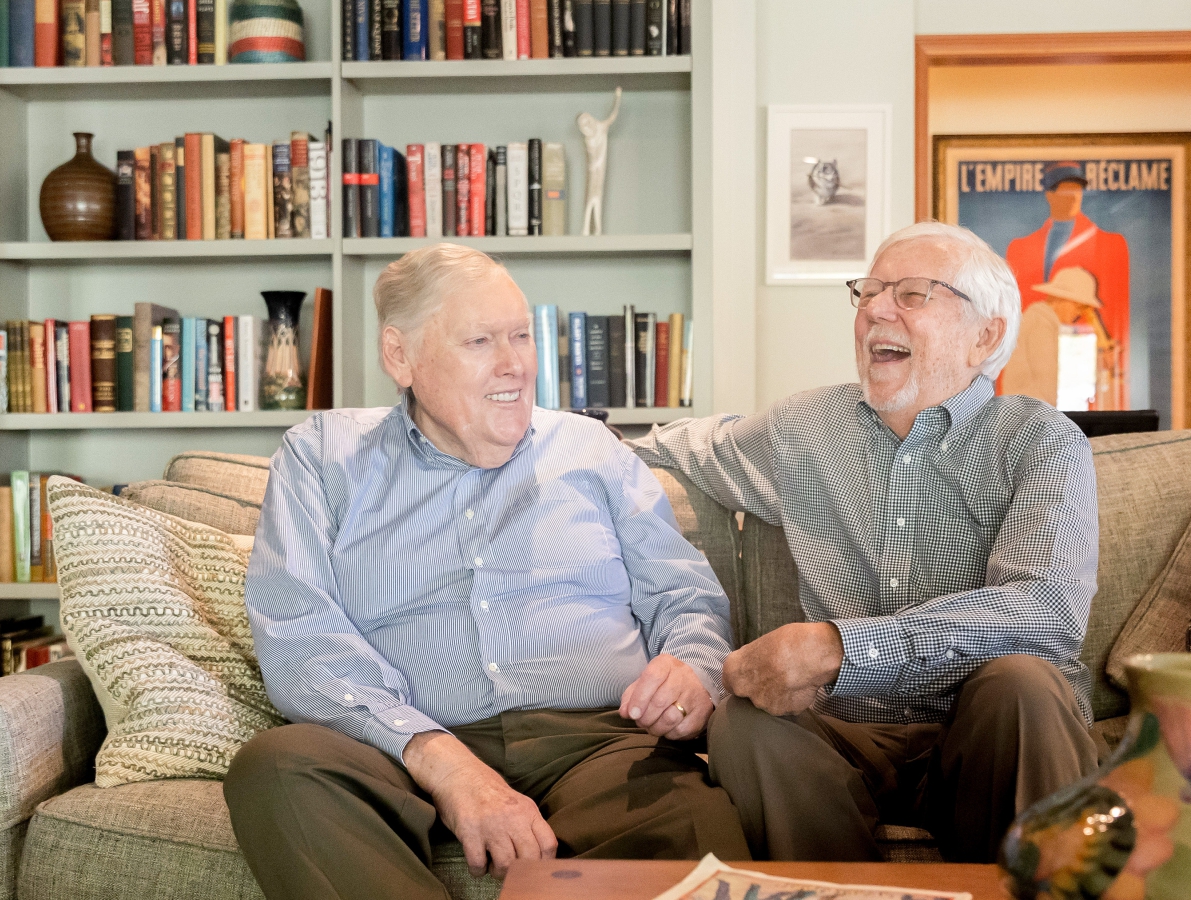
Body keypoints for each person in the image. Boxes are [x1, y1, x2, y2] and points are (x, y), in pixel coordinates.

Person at [226, 243, 749, 900]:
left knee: (691, 826)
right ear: (400, 356)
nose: (515, 365)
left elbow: (685, 596)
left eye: (522, 336)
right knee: (277, 767)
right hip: (408, 745)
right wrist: (436, 758)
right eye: (480, 341)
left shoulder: (592, 452)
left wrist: (692, 671)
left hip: (599, 741)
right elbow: (297, 630)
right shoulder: (322, 459)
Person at [628, 221, 1099, 864]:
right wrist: (547, 439)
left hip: (984, 732)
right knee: (743, 722)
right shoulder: (804, 428)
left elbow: (1048, 611)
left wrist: (839, 647)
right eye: (869, 292)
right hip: (843, 736)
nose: (876, 309)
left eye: (911, 294)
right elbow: (675, 447)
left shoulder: (1041, 440)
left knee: (1022, 686)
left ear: (984, 335)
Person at [1003, 161, 1129, 350]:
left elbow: (1116, 316)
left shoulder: (1109, 244)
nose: (1073, 198)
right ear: (1049, 195)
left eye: (1077, 190)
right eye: (1065, 190)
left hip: (1082, 356)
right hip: (1030, 351)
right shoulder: (1019, 249)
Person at [1001, 266, 1119, 409]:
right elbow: (1051, 383)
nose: (1079, 314)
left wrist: (1100, 363)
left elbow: (1060, 372)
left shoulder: (1046, 323)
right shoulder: (1040, 323)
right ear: (1062, 299)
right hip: (1032, 417)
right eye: (1079, 306)